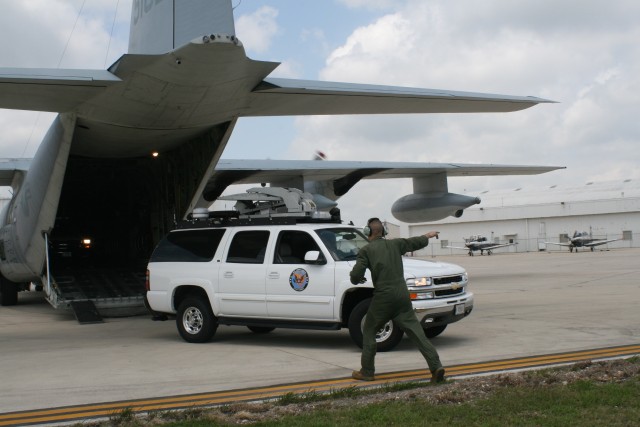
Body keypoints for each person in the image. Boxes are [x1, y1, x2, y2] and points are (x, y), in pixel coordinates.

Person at [349, 218, 445, 384]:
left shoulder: (365, 250)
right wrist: (428, 235)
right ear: (384, 232)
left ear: (367, 232)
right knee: (417, 333)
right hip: (402, 296)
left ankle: (367, 371)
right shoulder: (395, 244)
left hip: (383, 298)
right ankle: (436, 367)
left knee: (370, 330)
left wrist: (357, 280)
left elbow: (356, 276)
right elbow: (414, 242)